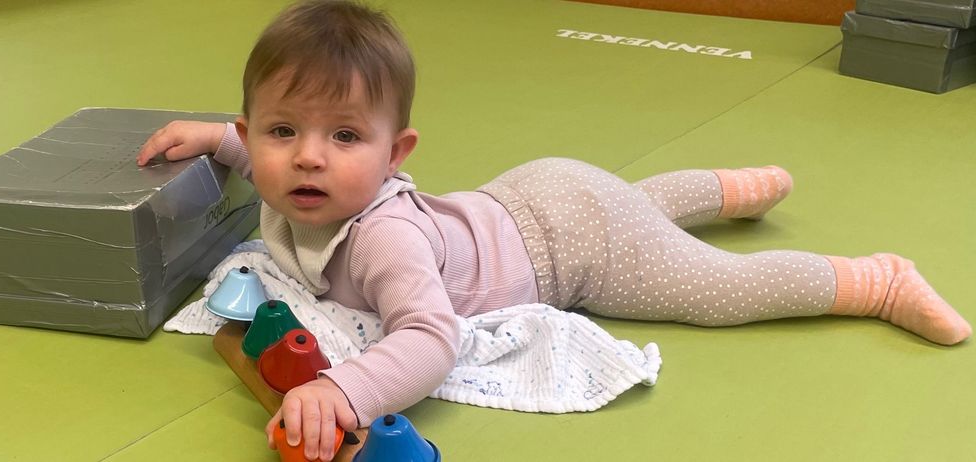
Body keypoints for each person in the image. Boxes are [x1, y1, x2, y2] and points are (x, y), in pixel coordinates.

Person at [136, 1, 972, 460]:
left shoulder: (384, 239)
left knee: (715, 289)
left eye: (345, 138)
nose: (306, 162)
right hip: (537, 191)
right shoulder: (294, 178)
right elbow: (257, 157)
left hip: (571, 244)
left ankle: (876, 279)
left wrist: (343, 389)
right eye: (282, 133)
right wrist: (214, 140)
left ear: (399, 155)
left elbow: (432, 339)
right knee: (631, 201)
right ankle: (730, 187)